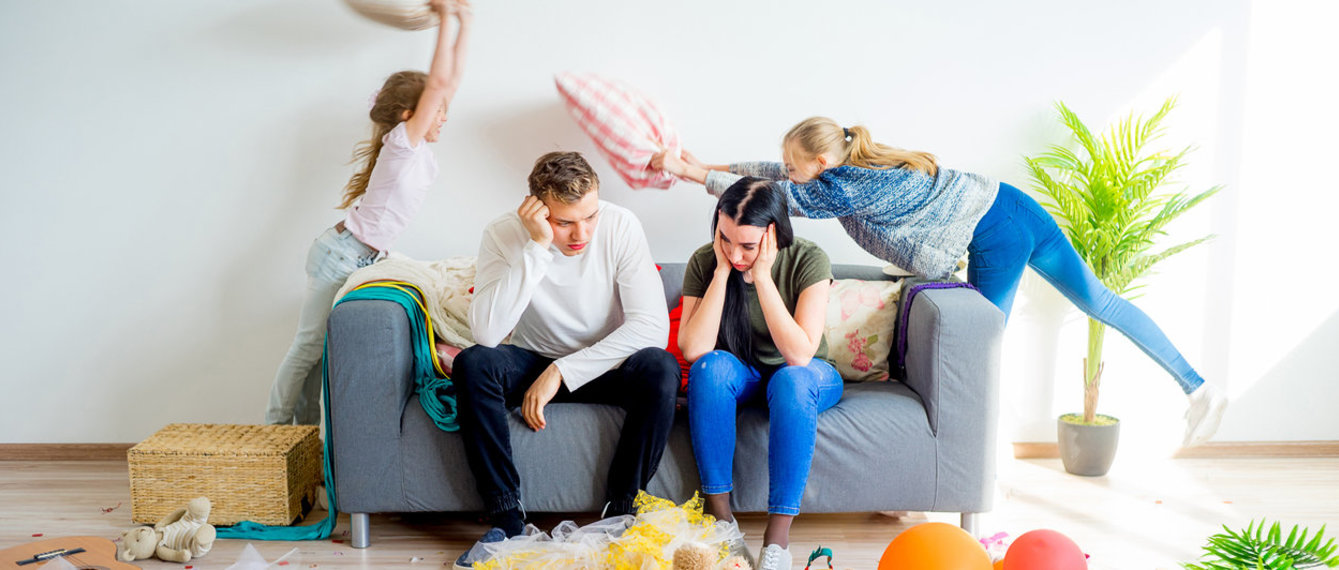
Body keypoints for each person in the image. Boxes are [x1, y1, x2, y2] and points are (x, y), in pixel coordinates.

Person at [652, 116, 1226, 446]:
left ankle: (988, 457)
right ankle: (1196, 386)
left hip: (997, 229)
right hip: (1013, 209)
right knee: (1100, 301)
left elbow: (780, 196)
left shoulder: (849, 185)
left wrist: (697, 172)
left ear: (822, 166)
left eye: (795, 163)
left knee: (980, 350)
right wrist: (699, 165)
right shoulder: (844, 169)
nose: (786, 168)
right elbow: (774, 176)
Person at [452, 151, 680, 569]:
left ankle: (622, 510)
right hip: (534, 358)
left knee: (660, 367)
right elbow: (486, 333)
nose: (582, 234)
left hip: (607, 363)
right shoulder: (504, 234)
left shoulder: (620, 225)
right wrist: (537, 246)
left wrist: (563, 371)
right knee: (473, 363)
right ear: (537, 210)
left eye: (589, 216)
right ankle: (507, 520)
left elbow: (651, 328)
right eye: (564, 223)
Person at [265, 0, 472, 425]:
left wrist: (464, 22)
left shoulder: (417, 151)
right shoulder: (402, 144)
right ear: (408, 115)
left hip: (360, 256)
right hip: (340, 253)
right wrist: (445, 19)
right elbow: (437, 84)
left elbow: (448, 82)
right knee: (307, 347)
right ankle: (274, 429)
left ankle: (300, 439)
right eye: (437, 112)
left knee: (322, 353)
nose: (444, 117)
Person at [678, 177, 836, 570]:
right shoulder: (708, 261)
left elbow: (800, 354)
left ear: (773, 235)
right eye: (725, 239)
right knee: (710, 368)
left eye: (747, 246)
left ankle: (776, 542)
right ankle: (722, 523)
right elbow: (694, 349)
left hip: (806, 374)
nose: (735, 254)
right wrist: (719, 274)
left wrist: (762, 277)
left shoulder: (808, 259)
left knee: (791, 381)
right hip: (743, 373)